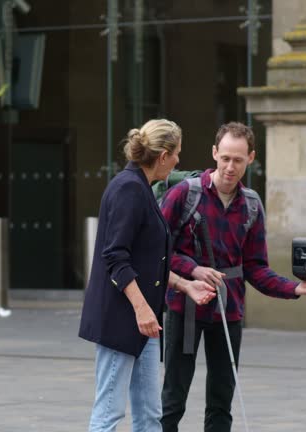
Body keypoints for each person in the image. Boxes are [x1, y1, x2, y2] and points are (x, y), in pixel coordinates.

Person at [158, 122, 306, 432]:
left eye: (237, 159)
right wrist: (193, 268)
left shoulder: (251, 205)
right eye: (224, 158)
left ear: (251, 158)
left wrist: (295, 288)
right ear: (214, 153)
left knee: (222, 401)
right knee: (173, 399)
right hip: (185, 309)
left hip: (228, 310)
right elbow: (157, 249)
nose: (229, 167)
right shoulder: (185, 194)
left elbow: (256, 267)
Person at [79, 119, 216, 432]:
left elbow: (149, 261)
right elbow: (115, 257)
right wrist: (142, 309)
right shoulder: (129, 188)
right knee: (109, 414)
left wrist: (186, 285)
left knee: (149, 417)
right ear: (164, 155)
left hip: (145, 323)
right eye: (178, 153)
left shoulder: (141, 187)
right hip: (122, 320)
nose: (180, 160)